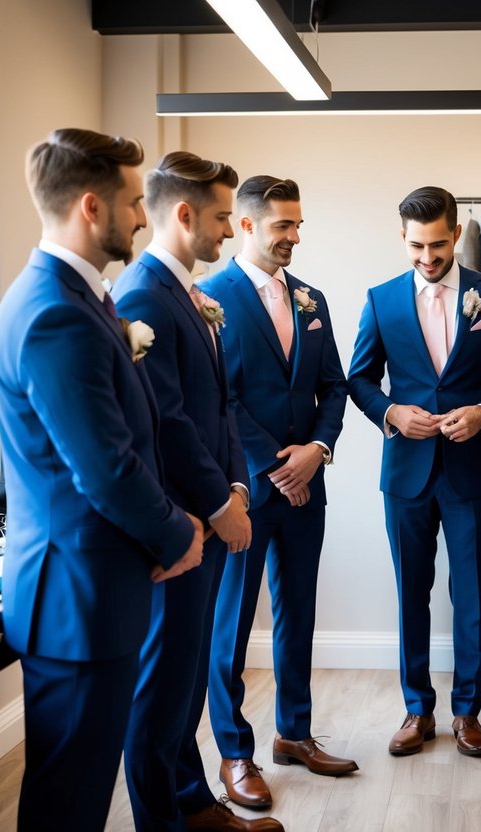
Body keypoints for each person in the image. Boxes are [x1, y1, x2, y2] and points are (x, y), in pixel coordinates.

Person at [0, 128, 205, 831]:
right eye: (133, 202)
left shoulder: (76, 298)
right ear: (92, 206)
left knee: (77, 788)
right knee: (69, 799)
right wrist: (179, 534)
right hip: (76, 598)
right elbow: (106, 469)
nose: (143, 217)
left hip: (90, 590)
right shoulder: (56, 312)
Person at [113, 152, 282, 832]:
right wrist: (218, 506)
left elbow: (222, 410)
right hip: (182, 526)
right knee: (161, 689)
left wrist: (237, 486)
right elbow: (167, 419)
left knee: (184, 679)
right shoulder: (142, 295)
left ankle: (191, 803)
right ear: (183, 215)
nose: (226, 230)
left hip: (213, 513)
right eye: (218, 218)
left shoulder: (189, 293)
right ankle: (164, 820)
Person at [347, 186, 481, 758]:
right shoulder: (381, 300)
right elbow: (358, 378)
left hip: (471, 470)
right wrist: (392, 412)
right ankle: (416, 709)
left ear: (456, 232)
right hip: (405, 473)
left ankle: (468, 712)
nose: (428, 257)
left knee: (473, 593)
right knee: (410, 593)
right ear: (402, 238)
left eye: (439, 244)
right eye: (417, 246)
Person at [201, 175, 355, 810]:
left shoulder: (312, 299)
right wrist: (274, 465)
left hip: (306, 487)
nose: (293, 237)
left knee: (299, 614)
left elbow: (335, 386)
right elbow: (220, 399)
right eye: (280, 226)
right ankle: (236, 752)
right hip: (245, 492)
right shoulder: (210, 298)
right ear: (244, 225)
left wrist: (316, 452)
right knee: (230, 624)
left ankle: (294, 732)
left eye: (297, 225)